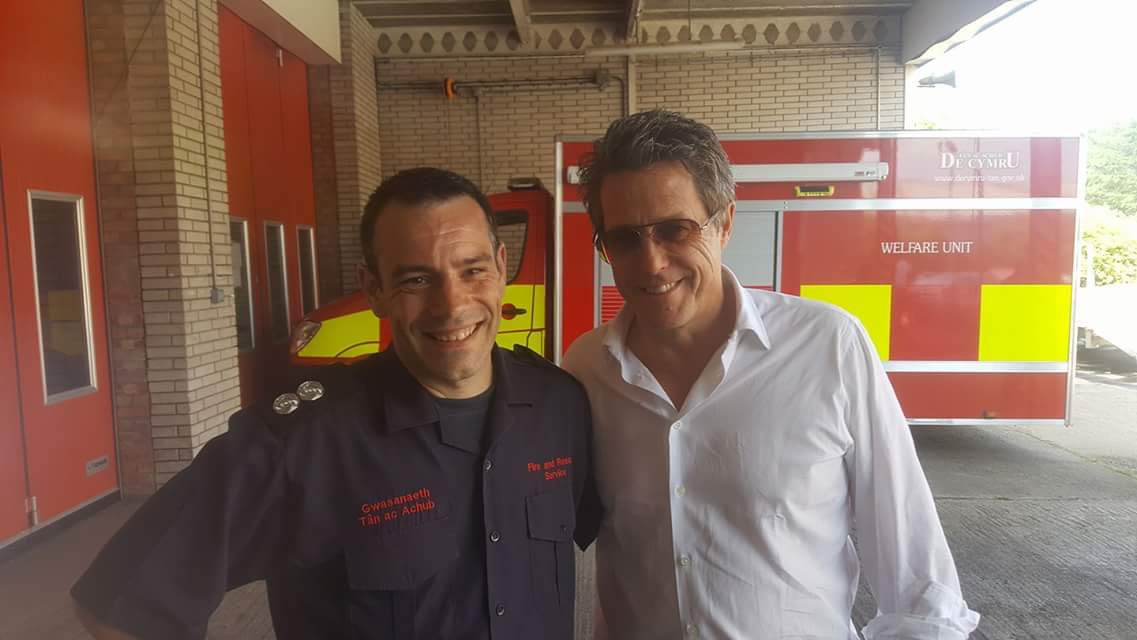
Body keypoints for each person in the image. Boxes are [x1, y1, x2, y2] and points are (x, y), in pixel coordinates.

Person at [72, 167, 598, 639]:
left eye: (472, 270)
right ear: (373, 290)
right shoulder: (300, 444)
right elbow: (123, 605)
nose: (452, 304)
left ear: (501, 268)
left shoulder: (559, 406)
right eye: (416, 279)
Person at [563, 110, 979, 639]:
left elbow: (918, 579)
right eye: (624, 239)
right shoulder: (587, 370)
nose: (650, 263)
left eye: (675, 229)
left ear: (726, 222)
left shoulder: (828, 346)